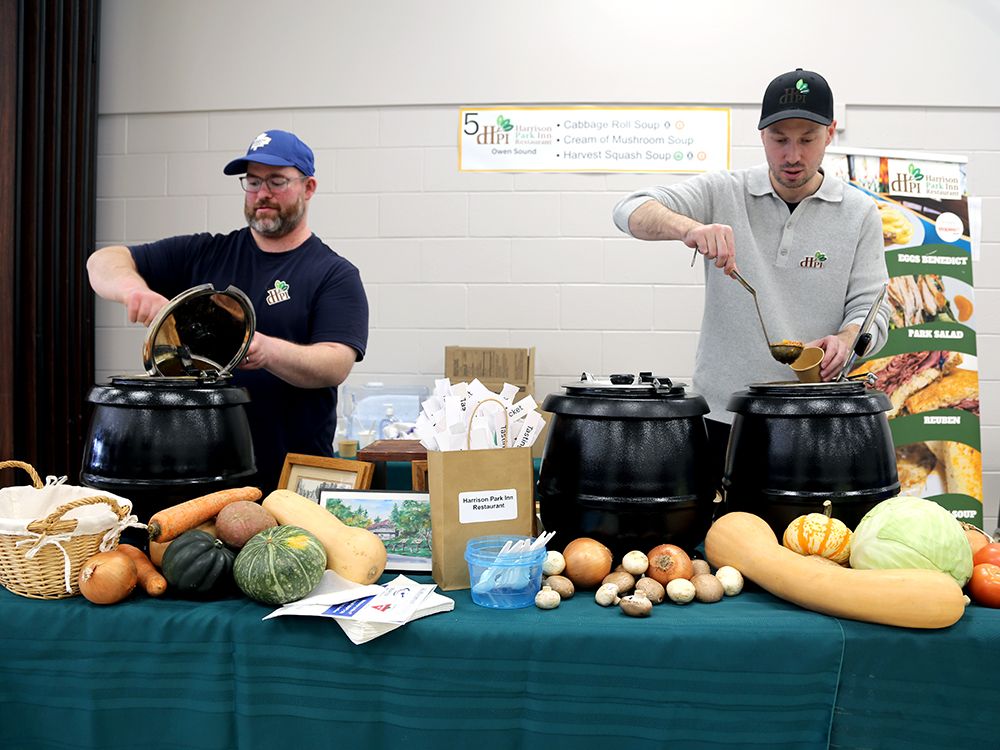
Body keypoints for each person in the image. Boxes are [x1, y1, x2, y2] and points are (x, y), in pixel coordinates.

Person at [612, 68, 889, 486]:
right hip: (725, 416)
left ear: (830, 134)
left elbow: (873, 308)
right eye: (780, 139)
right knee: (720, 541)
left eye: (807, 139)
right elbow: (630, 211)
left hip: (814, 420)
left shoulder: (859, 212)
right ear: (761, 136)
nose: (792, 156)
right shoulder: (725, 192)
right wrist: (689, 229)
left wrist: (849, 338)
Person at [88, 129, 369, 492]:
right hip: (199, 478)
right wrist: (133, 290)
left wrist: (267, 350)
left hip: (288, 482)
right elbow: (103, 261)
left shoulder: (333, 273)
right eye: (252, 182)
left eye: (277, 181)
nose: (262, 193)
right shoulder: (204, 253)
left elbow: (335, 364)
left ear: (308, 187)